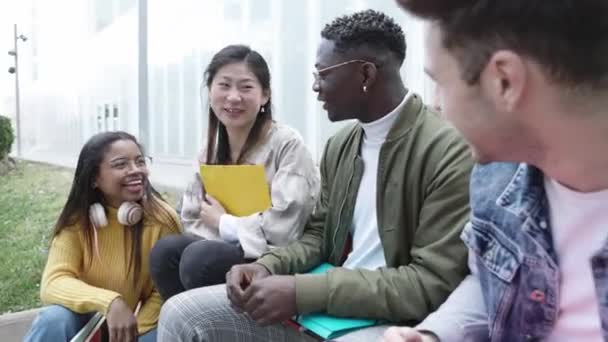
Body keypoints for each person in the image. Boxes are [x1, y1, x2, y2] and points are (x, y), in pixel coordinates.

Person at [157, 10, 473, 341]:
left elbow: (429, 283)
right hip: (324, 309)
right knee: (182, 314)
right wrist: (267, 266)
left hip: (389, 323)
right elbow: (317, 236)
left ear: (366, 74)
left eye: (323, 74)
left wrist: (301, 291)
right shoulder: (341, 146)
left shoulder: (447, 151)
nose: (315, 86)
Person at [384, 1, 608, 341]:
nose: (436, 104)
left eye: (439, 83)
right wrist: (436, 334)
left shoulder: (287, 147)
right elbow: (492, 278)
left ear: (503, 80)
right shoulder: (495, 177)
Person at [148, 45, 320, 300]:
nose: (233, 97)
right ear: (210, 90)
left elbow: (286, 227)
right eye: (224, 85)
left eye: (246, 87)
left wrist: (225, 223)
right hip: (227, 245)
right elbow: (192, 215)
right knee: (166, 251)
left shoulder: (287, 144)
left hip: (273, 256)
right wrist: (224, 229)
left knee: (199, 258)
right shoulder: (210, 149)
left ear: (265, 95)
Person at [24, 131, 181, 342]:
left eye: (140, 162)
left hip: (135, 329)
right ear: (94, 178)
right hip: (86, 319)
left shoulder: (162, 219)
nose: (135, 170)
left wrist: (131, 334)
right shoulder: (78, 221)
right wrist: (110, 302)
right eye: (121, 164)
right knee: (55, 319)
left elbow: (162, 292)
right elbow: (54, 281)